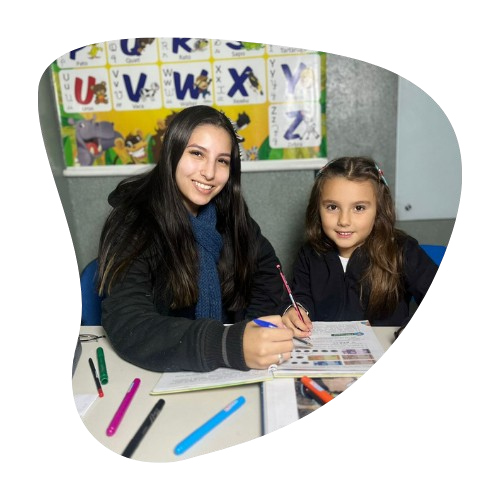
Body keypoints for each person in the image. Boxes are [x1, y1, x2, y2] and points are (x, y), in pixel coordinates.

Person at [96, 105, 301, 373]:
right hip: (157, 371)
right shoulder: (132, 220)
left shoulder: (231, 212)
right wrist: (228, 344)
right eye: (197, 153)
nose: (209, 173)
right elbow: (129, 322)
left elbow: (267, 273)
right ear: (172, 152)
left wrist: (255, 328)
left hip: (229, 365)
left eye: (222, 161)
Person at [281, 156, 439, 336]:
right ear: (317, 209)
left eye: (359, 208)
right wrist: (295, 310)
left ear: (379, 209)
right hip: (327, 349)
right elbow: (301, 297)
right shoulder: (309, 253)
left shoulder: (402, 250)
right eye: (332, 207)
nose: (344, 221)